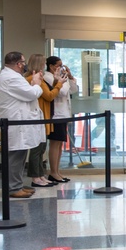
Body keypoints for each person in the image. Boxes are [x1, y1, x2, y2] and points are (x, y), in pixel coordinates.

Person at [0, 52, 45, 198]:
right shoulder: (10, 78)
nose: (25, 65)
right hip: (15, 123)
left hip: (18, 122)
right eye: (23, 62)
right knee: (15, 156)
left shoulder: (12, 76)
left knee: (20, 154)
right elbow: (31, 94)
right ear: (19, 64)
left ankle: (17, 184)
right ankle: (13, 188)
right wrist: (36, 84)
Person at [24, 54, 63, 188]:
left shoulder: (38, 79)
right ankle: (36, 177)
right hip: (38, 117)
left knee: (41, 149)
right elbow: (49, 95)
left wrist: (56, 82)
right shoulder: (32, 79)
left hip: (42, 116)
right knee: (37, 149)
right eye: (42, 64)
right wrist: (59, 84)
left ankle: (40, 175)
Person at [44, 56, 78, 184]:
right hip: (56, 115)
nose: (62, 68)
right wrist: (61, 80)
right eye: (59, 65)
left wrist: (69, 77)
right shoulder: (48, 77)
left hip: (64, 113)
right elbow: (62, 92)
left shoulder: (61, 77)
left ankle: (57, 171)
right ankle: (53, 172)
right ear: (52, 66)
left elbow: (73, 90)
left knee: (60, 144)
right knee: (55, 143)